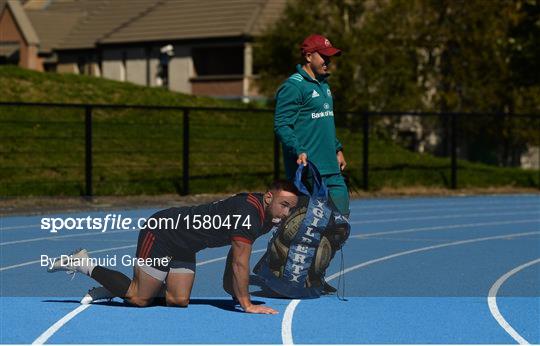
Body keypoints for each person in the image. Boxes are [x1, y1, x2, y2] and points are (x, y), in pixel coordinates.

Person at [48, 181, 299, 315]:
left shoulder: (267, 220)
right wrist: (246, 304)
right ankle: (82, 262)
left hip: (186, 244)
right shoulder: (250, 214)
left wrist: (232, 291)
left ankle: (120, 287)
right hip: (163, 232)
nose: (286, 213)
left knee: (178, 300)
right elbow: (239, 263)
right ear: (268, 197)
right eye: (283, 205)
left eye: (291, 208)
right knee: (138, 299)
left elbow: (236, 255)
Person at [274, 34, 349, 216]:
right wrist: (298, 149)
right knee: (306, 228)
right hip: (309, 171)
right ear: (308, 56)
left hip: (331, 167)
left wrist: (337, 149)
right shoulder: (293, 86)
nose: (328, 61)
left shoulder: (324, 84)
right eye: (324, 56)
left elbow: (324, 123)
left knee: (340, 221)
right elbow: (282, 125)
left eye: (329, 57)